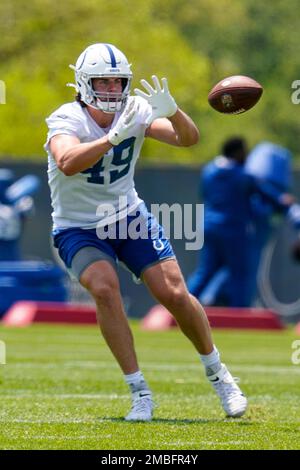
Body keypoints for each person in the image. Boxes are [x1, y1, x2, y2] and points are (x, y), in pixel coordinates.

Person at [45, 43, 247, 422]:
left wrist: (174, 112)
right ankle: (140, 392)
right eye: (101, 82)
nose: (110, 90)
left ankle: (220, 375)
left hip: (127, 216)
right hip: (78, 225)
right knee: (104, 289)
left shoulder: (133, 109)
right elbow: (67, 161)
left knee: (173, 293)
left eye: (116, 81)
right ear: (84, 83)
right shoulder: (66, 118)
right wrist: (112, 138)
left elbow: (187, 139)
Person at [187, 137, 298, 308]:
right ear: (237, 152)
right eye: (244, 151)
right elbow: (266, 194)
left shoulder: (209, 171)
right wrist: (283, 201)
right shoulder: (242, 175)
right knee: (240, 273)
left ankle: (182, 306)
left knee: (205, 272)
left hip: (209, 227)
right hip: (233, 231)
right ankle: (238, 314)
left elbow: (204, 194)